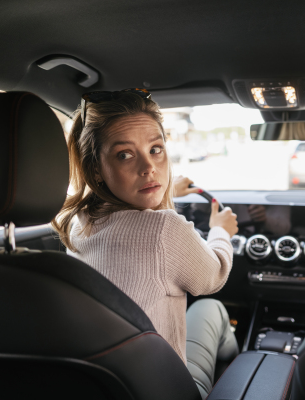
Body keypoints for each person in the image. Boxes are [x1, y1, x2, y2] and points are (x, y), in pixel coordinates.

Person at [51, 89, 239, 399]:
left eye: (155, 149)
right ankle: (237, 361)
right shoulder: (165, 229)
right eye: (125, 154)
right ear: (96, 167)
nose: (149, 168)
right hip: (166, 388)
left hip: (107, 384)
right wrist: (221, 232)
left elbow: (136, 232)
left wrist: (165, 198)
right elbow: (214, 276)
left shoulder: (79, 222)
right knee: (213, 308)